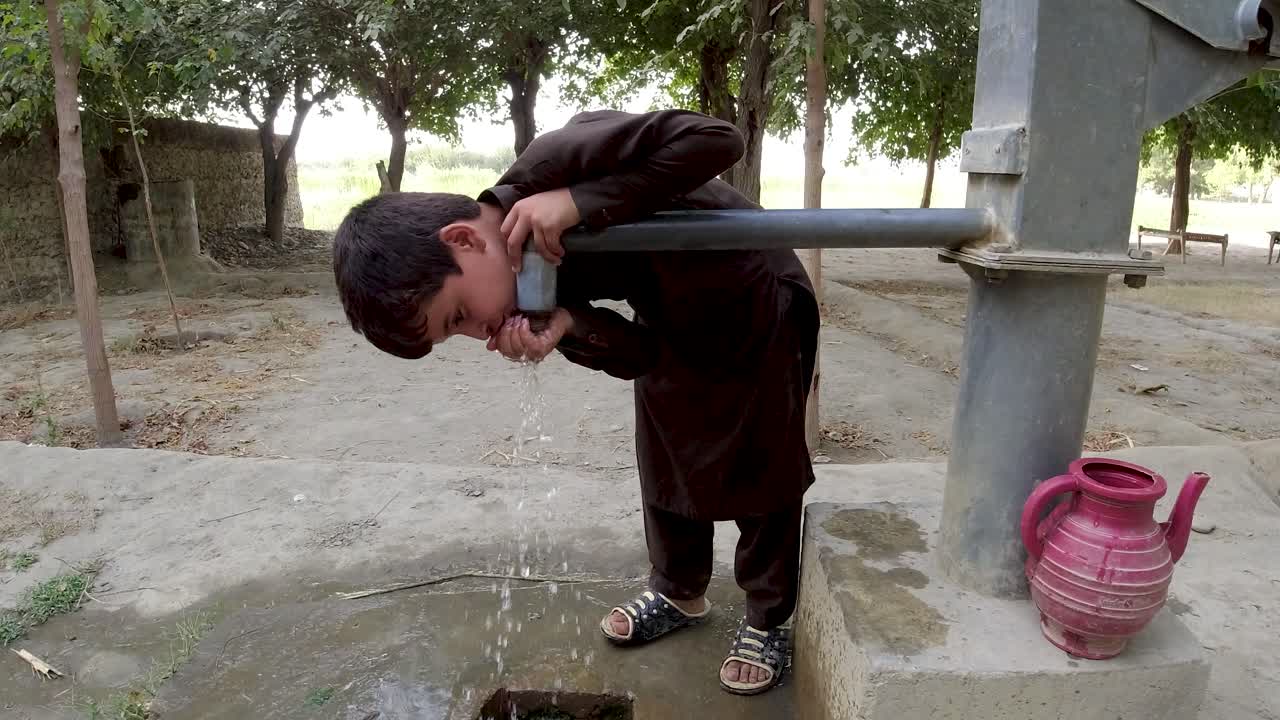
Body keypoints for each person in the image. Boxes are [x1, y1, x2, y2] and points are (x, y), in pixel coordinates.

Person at [332, 109, 818, 695]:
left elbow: (719, 139)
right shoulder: (529, 285)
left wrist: (579, 199)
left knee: (760, 459)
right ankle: (679, 592)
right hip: (670, 319)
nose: (477, 332)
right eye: (454, 333)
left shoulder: (555, 161)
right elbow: (642, 357)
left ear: (462, 239)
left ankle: (767, 618)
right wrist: (568, 325)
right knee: (665, 448)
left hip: (754, 295)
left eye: (458, 315)